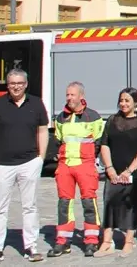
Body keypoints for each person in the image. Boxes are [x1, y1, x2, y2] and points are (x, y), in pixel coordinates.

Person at [0, 68, 49, 265]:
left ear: (26, 84)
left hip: (29, 163)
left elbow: (43, 130)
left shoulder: (35, 103)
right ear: (7, 85)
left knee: (30, 207)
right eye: (12, 83)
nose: (16, 86)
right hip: (3, 165)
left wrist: (41, 158)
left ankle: (31, 246)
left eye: (19, 83)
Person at [47, 82, 104, 258]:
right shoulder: (61, 118)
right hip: (65, 166)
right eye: (67, 95)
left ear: (81, 96)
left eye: (72, 95)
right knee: (64, 204)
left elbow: (99, 141)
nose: (69, 98)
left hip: (85, 165)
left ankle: (92, 241)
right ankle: (63, 241)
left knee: (89, 203)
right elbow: (57, 140)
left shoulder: (93, 117)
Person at [94, 87, 137, 258]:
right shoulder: (112, 120)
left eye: (127, 100)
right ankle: (106, 242)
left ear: (135, 103)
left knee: (131, 205)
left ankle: (128, 242)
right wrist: (109, 168)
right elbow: (104, 144)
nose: (123, 103)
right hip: (113, 169)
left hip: (134, 172)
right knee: (110, 202)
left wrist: (129, 170)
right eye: (121, 100)